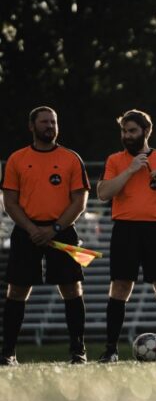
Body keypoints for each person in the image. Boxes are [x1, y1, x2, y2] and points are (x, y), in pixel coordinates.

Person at [96, 109, 156, 362]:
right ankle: (111, 349)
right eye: (124, 131)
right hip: (125, 229)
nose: (127, 136)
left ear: (146, 131)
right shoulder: (115, 160)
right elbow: (103, 193)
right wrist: (129, 170)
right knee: (120, 287)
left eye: (132, 131)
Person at [0, 106, 90, 366]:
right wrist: (31, 229)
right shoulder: (17, 159)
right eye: (44, 122)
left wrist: (55, 229)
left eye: (53, 122)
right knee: (17, 290)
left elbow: (80, 201)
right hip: (26, 231)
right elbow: (10, 202)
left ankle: (78, 351)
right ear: (32, 126)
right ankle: (8, 353)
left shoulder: (71, 158)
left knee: (72, 288)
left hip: (63, 230)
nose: (50, 126)